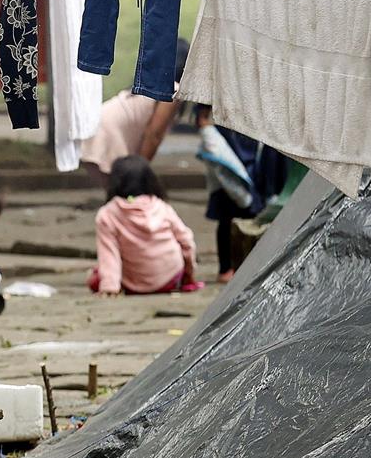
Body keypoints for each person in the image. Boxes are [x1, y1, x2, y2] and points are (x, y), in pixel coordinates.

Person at [90, 155, 200, 296]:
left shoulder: (107, 214)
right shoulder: (161, 207)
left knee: (94, 277)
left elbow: (109, 254)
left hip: (134, 283)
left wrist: (109, 287)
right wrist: (189, 274)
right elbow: (186, 241)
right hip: (171, 278)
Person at [81, 39, 189, 175]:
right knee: (129, 187)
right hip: (108, 133)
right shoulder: (172, 90)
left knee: (120, 191)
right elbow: (154, 135)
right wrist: (140, 170)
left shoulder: (148, 80)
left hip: (97, 124)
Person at [194, 104, 263, 283]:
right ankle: (226, 268)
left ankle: (232, 267)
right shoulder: (213, 134)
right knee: (228, 219)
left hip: (239, 143)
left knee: (236, 220)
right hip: (228, 157)